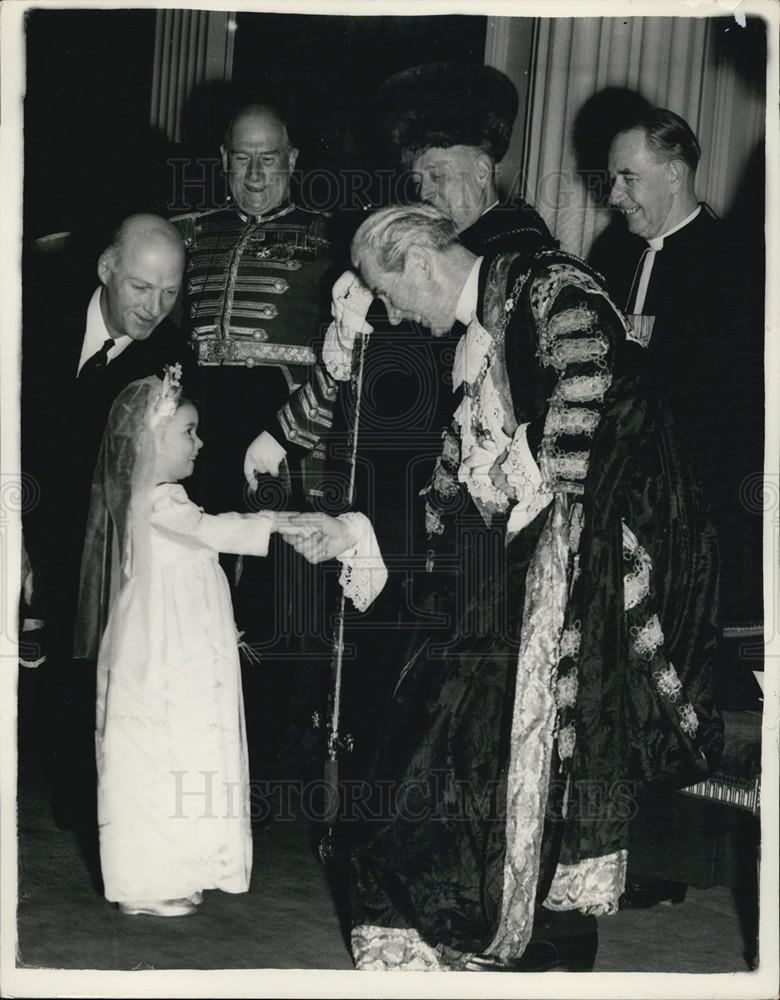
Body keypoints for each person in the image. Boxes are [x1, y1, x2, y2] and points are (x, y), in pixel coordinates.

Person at [290, 203, 723, 971]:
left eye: (388, 294)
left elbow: (600, 392)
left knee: (483, 726)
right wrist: (391, 545)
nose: (391, 313)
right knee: (446, 716)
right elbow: (463, 466)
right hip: (515, 563)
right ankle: (476, 919)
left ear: (420, 262)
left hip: (569, 565)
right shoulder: (491, 314)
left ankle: (487, 923)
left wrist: (514, 480)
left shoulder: (549, 286)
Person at [72, 367, 324, 916]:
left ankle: (173, 865)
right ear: (150, 440)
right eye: (188, 430)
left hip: (176, 644)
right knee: (157, 754)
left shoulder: (160, 498)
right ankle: (145, 877)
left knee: (175, 751)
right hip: (164, 651)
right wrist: (281, 524)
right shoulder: (159, 501)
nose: (200, 442)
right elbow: (212, 530)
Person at [21, 214, 195, 829]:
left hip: (78, 524)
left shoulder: (170, 358)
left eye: (170, 292)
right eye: (142, 289)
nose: (155, 308)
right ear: (106, 270)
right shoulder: (31, 303)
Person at [590, 107, 763, 627]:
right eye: (612, 179)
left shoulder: (738, 261)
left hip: (697, 512)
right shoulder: (612, 253)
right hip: (618, 500)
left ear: (674, 173)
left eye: (628, 178)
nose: (615, 196)